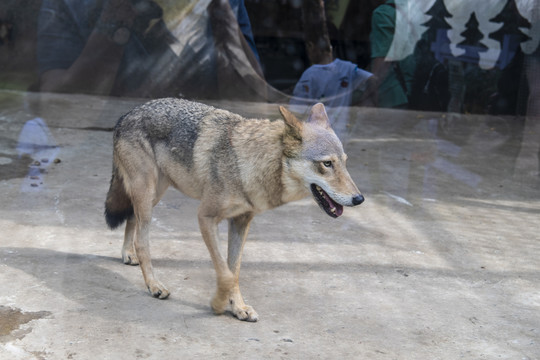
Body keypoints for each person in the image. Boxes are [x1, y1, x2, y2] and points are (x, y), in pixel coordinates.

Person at [36, 0, 262, 99]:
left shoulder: (224, 4)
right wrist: (115, 20)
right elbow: (57, 107)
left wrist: (221, 17)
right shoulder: (68, 3)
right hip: (98, 159)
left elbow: (252, 101)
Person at [369, 0, 414, 109]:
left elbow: (383, 58)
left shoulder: (383, 13)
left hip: (390, 93)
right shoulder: (417, 12)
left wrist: (370, 91)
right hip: (414, 91)